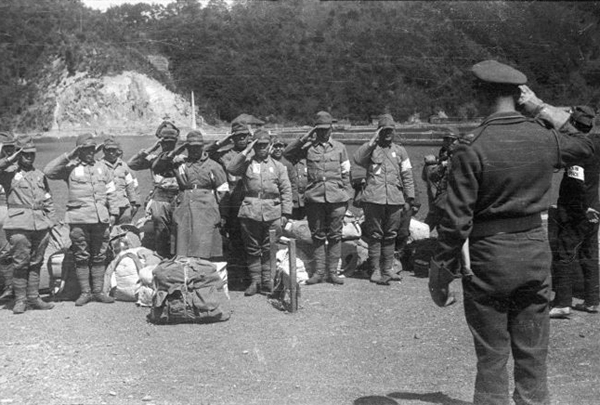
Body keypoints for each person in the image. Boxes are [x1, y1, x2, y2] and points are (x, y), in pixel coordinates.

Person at [428, 60, 594, 405]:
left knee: (491, 355)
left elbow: (457, 220)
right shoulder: (543, 137)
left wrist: (440, 271)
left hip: (490, 256)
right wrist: (542, 108)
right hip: (534, 251)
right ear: (520, 95)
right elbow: (590, 144)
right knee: (533, 354)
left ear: (479, 93)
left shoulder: (472, 146)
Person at [44, 133, 119, 306]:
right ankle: (85, 292)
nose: (89, 152)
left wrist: (113, 213)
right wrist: (70, 155)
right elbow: (49, 171)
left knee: (99, 255)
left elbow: (111, 192)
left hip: (100, 219)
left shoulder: (102, 167)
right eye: (85, 149)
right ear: (79, 150)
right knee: (81, 255)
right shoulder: (69, 168)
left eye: (92, 149)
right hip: (78, 219)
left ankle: (98, 291)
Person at [284, 111, 352, 285]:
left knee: (335, 236)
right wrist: (305, 137)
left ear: (331, 129)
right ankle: (319, 272)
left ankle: (333, 273)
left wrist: (346, 196)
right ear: (315, 129)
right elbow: (287, 154)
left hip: (337, 199)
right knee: (318, 236)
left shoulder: (340, 148)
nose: (323, 133)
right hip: (315, 198)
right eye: (319, 129)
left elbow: (346, 173)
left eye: (326, 129)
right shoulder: (308, 148)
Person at [227, 130, 292, 296]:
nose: (262, 148)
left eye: (265, 145)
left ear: (269, 145)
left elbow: (286, 190)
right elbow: (231, 168)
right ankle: (255, 281)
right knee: (252, 248)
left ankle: (267, 281)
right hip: (250, 211)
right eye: (259, 145)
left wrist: (286, 213)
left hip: (273, 211)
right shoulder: (247, 163)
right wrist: (247, 150)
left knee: (269, 247)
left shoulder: (278, 166)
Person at [353, 114, 415, 285]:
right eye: (384, 130)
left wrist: (409, 198)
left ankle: (388, 270)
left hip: (394, 199)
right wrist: (372, 141)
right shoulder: (371, 149)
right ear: (379, 131)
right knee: (375, 235)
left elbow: (407, 175)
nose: (388, 133)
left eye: (390, 130)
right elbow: (357, 159)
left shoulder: (401, 151)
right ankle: (374, 270)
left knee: (391, 235)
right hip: (374, 199)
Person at [550, 106, 600, 318]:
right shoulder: (595, 145)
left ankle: (562, 302)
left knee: (564, 253)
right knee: (589, 254)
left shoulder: (577, 151)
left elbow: (577, 183)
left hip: (577, 211)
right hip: (594, 207)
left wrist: (582, 209)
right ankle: (592, 301)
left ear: (574, 125)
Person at [0, 135, 56, 314]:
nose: (29, 157)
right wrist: (11, 158)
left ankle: (34, 297)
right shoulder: (8, 174)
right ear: (18, 154)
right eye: (25, 154)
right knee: (20, 263)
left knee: (36, 262)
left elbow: (48, 199)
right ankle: (20, 300)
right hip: (18, 224)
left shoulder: (39, 175)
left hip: (40, 225)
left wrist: (51, 222)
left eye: (32, 154)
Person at [153, 130, 229, 259]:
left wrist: (221, 212)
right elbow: (158, 167)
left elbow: (223, 191)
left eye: (197, 147)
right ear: (186, 148)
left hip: (206, 208)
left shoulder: (213, 166)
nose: (194, 150)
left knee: (204, 242)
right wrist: (175, 152)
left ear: (202, 147)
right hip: (185, 205)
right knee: (183, 242)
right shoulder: (179, 164)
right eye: (190, 147)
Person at [205, 120, 254, 288]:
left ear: (249, 137)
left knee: (252, 240)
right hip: (232, 203)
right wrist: (224, 140)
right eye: (237, 136)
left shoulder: (256, 152)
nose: (241, 139)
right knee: (235, 239)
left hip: (251, 202)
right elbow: (205, 152)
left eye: (244, 136)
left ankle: (254, 277)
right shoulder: (225, 155)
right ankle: (239, 277)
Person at [128, 123, 180, 258]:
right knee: (161, 229)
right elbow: (132, 164)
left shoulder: (180, 158)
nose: (168, 146)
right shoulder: (153, 158)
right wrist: (153, 148)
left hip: (178, 196)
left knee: (179, 228)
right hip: (160, 197)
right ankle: (162, 256)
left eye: (171, 143)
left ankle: (177, 256)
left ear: (175, 142)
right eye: (165, 143)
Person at [422, 128, 459, 232]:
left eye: (452, 140)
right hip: (442, 197)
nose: (449, 143)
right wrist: (442, 165)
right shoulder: (444, 156)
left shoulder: (463, 156)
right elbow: (433, 177)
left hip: (456, 198)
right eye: (446, 140)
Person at [98, 136, 140, 225]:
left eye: (113, 150)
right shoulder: (98, 166)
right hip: (107, 207)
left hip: (124, 206)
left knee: (124, 233)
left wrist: (133, 204)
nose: (111, 153)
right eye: (108, 150)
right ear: (104, 151)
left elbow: (130, 186)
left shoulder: (124, 166)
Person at [0, 132, 16, 302]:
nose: (9, 152)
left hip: (9, 209)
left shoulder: (18, 164)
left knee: (7, 250)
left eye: (11, 148)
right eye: (5, 148)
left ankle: (9, 286)